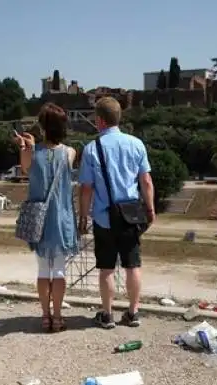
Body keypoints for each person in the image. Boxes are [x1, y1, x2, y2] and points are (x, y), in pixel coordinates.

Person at [78, 97, 155, 329]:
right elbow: (146, 181)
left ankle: (107, 314)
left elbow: (86, 189)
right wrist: (150, 209)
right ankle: (133, 312)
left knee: (107, 269)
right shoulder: (136, 144)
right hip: (131, 214)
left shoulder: (92, 149)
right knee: (133, 265)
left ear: (100, 121)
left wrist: (83, 216)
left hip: (104, 217)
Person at [14, 103, 79, 332]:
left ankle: (45, 316)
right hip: (62, 219)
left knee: (42, 270)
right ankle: (58, 317)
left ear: (42, 126)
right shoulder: (70, 153)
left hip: (39, 220)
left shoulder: (32, 153)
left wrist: (25, 146)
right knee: (59, 270)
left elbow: (24, 169)